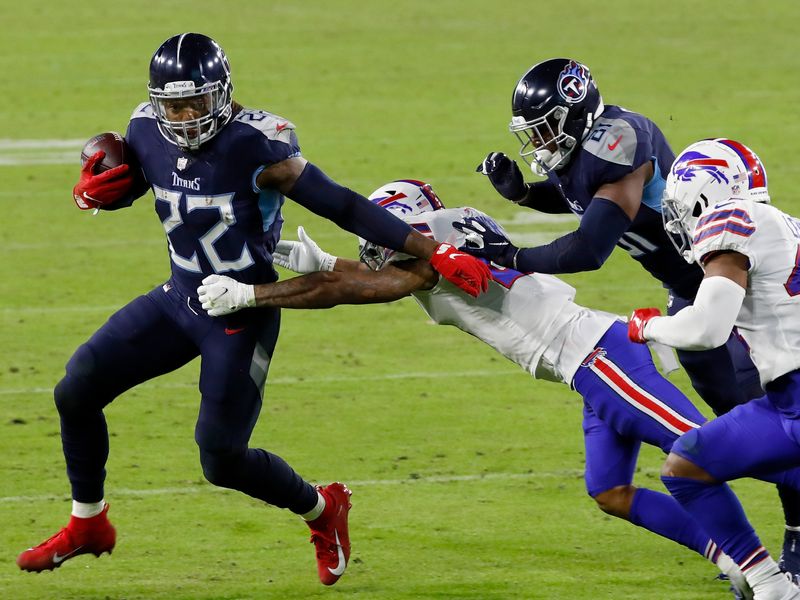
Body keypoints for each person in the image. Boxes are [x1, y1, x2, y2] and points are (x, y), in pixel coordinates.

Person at [15, 33, 492, 585]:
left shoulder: (258, 147)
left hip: (244, 313)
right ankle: (88, 523)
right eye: (172, 105)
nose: (184, 116)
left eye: (194, 103)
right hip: (180, 299)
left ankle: (322, 507)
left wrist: (434, 250)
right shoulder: (147, 129)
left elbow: (343, 205)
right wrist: (101, 187)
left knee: (219, 458)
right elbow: (143, 181)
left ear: (221, 94)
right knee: (75, 389)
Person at [196, 178, 800, 598]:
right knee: (610, 490)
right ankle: (732, 559)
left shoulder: (436, 251)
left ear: (415, 227)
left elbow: (381, 283)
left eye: (385, 238)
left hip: (600, 357)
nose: (378, 251)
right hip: (586, 370)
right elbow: (382, 276)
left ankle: (768, 575)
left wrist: (264, 290)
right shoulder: (435, 246)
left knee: (704, 454)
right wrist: (321, 262)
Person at [462, 57, 800, 573]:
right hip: (688, 291)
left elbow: (587, 249)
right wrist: (528, 195)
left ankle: (788, 546)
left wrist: (508, 256)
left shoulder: (619, 143)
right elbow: (585, 198)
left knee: (770, 424)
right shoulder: (589, 151)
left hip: (730, 282)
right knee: (741, 425)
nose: (541, 141)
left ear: (576, 111)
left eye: (547, 125)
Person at [627, 138, 800, 599]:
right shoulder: (786, 225)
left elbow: (707, 330)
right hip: (786, 401)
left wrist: (648, 326)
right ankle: (772, 587)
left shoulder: (731, 221)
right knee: (687, 464)